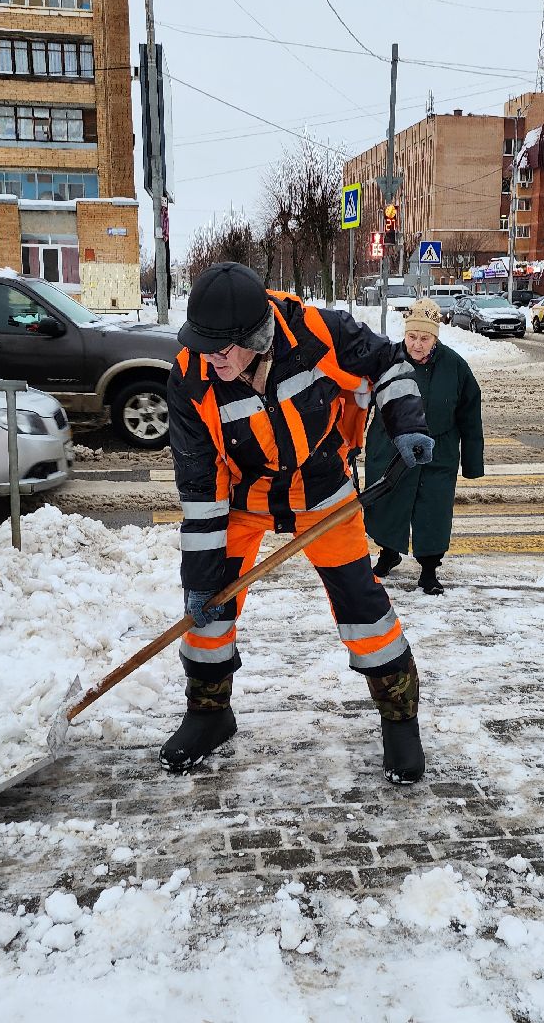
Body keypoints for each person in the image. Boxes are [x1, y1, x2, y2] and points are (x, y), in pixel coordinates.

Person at [166, 262, 436, 784]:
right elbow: (199, 490)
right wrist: (200, 581)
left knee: (364, 607)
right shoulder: (190, 379)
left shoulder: (316, 334)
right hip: (242, 497)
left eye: (222, 349)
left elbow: (389, 364)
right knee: (207, 610)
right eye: (202, 346)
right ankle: (208, 713)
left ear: (257, 337)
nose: (211, 359)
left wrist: (406, 421)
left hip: (320, 488)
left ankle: (400, 721)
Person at [364, 299, 484, 595]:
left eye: (425, 338)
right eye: (412, 337)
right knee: (387, 505)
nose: (417, 345)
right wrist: (350, 447)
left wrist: (472, 462)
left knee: (433, 509)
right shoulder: (387, 360)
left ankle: (429, 570)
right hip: (390, 445)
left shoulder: (455, 365)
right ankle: (388, 554)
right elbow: (359, 404)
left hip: (438, 449)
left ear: (436, 337)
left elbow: (470, 413)